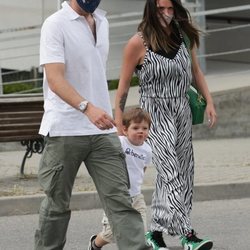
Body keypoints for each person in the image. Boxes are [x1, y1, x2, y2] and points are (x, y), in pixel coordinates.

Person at [34, 1, 150, 249]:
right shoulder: (55, 24)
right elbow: (54, 78)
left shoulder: (102, 22)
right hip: (65, 128)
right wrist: (86, 107)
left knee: (121, 200)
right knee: (57, 203)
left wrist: (112, 117)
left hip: (102, 130)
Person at [115, 0, 217, 250]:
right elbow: (124, 85)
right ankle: (187, 235)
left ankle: (155, 232)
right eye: (161, 9)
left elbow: (196, 71)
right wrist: (119, 122)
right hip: (154, 114)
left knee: (183, 171)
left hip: (181, 109)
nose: (167, 14)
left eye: (171, 9)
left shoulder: (183, 36)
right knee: (170, 172)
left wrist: (210, 102)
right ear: (151, 9)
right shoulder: (138, 42)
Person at [88, 107, 153, 250]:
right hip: (117, 196)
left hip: (136, 196)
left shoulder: (148, 150)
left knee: (140, 230)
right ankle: (95, 244)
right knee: (111, 233)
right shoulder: (120, 142)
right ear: (125, 130)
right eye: (135, 128)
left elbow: (142, 169)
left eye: (145, 128)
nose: (141, 131)